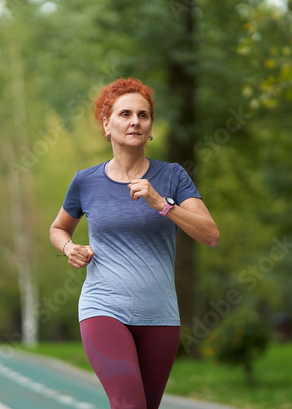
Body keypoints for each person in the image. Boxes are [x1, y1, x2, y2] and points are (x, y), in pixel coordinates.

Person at [49, 77, 220, 409]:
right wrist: (70, 248)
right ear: (107, 125)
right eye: (125, 114)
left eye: (143, 115)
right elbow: (58, 228)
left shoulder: (172, 176)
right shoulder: (85, 181)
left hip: (160, 317)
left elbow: (210, 235)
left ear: (151, 127)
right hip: (104, 309)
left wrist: (162, 204)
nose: (135, 122)